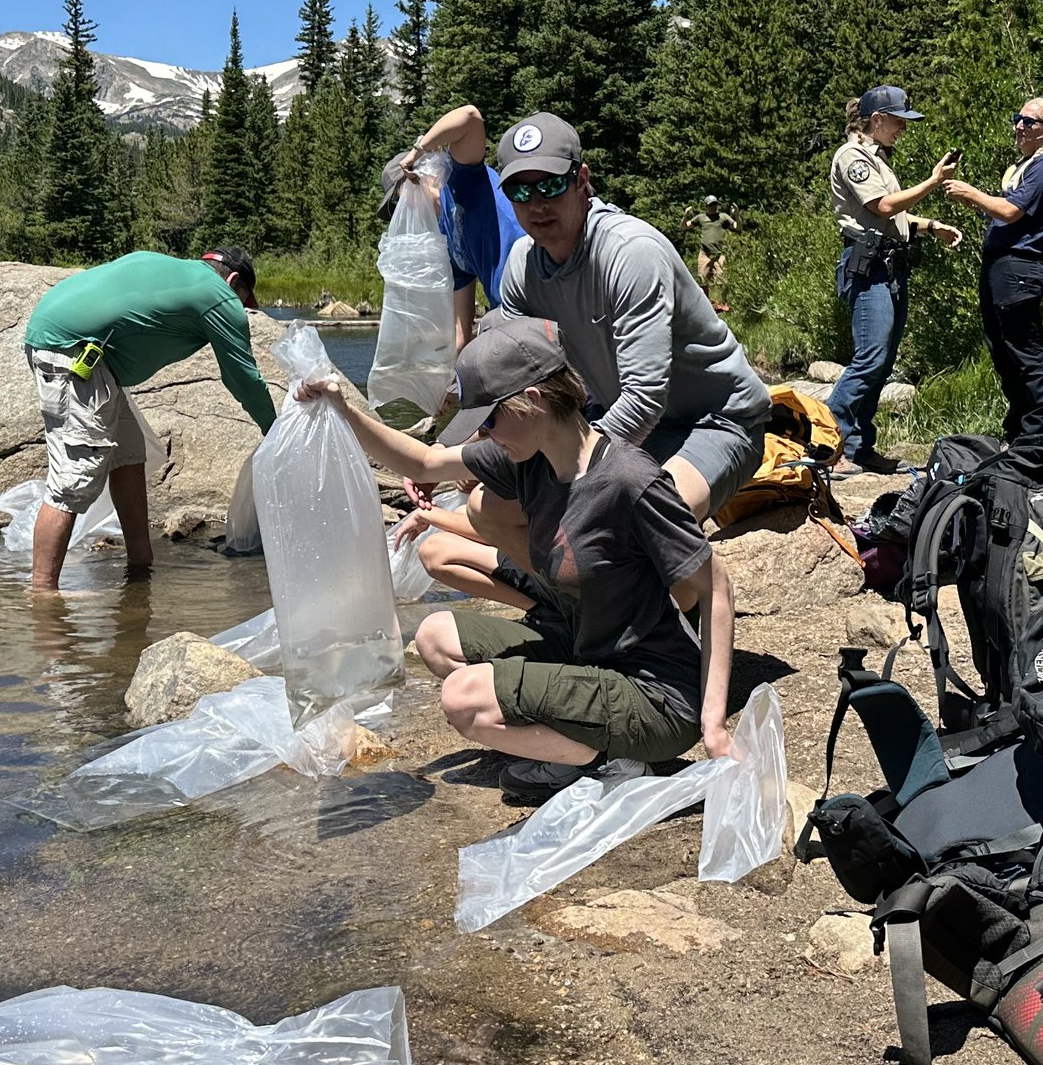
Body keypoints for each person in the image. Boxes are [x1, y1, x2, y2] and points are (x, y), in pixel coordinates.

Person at [294, 317, 736, 806]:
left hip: (654, 695)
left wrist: (713, 726)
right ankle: (569, 729)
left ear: (534, 401)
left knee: (464, 700)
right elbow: (420, 463)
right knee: (435, 637)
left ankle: (607, 758)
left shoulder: (630, 482)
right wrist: (341, 407)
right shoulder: (526, 458)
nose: (483, 433)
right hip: (584, 649)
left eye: (489, 419)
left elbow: (716, 586)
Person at [491, 111, 773, 523]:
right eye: (519, 191)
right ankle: (559, 590)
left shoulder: (630, 252)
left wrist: (576, 472)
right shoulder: (521, 267)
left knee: (643, 521)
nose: (537, 204)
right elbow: (521, 386)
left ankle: (702, 587)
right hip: (615, 421)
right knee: (489, 510)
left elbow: (644, 397)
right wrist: (475, 446)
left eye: (550, 185)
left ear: (581, 179)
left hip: (714, 422)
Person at [19, 247, 274, 592]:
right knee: (74, 479)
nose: (242, 308)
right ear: (232, 280)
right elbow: (242, 378)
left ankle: (140, 567)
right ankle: (43, 595)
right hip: (73, 353)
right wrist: (275, 429)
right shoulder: (218, 296)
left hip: (78, 349)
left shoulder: (169, 266)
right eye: (244, 299)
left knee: (128, 455)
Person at [825, 85, 965, 475]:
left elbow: (894, 220)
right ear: (877, 119)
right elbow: (883, 206)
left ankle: (858, 446)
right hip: (868, 269)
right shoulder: (853, 156)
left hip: (888, 266)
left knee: (883, 361)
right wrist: (934, 181)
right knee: (870, 357)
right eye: (899, 121)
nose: (903, 128)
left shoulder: (879, 159)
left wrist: (931, 226)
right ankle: (830, 443)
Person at [944, 99, 1043, 442]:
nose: (1020, 127)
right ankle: (1018, 429)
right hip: (1000, 264)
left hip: (1019, 266)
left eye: (1029, 122)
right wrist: (972, 201)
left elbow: (1011, 210)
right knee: (1002, 349)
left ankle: (1038, 431)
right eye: (1018, 119)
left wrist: (971, 191)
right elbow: (1001, 213)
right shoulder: (1025, 165)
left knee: (1024, 349)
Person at [385, 102, 525, 349]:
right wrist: (450, 381)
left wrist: (416, 152)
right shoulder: (447, 244)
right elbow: (461, 335)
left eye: (399, 200)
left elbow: (470, 117)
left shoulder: (460, 182)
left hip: (542, 295)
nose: (403, 211)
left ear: (415, 178)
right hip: (512, 320)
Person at [682, 196, 742, 294]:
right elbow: (684, 227)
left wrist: (736, 215)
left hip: (720, 254)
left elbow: (738, 228)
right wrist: (685, 216)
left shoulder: (723, 217)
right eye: (711, 205)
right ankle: (706, 303)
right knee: (703, 281)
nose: (713, 207)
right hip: (705, 254)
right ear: (706, 206)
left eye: (715, 204)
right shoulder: (700, 218)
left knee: (722, 281)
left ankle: (722, 304)